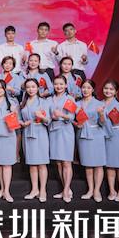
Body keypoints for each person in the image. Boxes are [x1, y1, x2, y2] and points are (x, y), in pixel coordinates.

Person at [75, 79, 107, 203]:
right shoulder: (77, 103)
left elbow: (103, 123)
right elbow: (73, 120)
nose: (85, 90)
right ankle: (90, 189)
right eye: (83, 87)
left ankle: (97, 190)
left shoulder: (99, 103)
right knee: (87, 164)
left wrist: (102, 114)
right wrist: (76, 124)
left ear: (93, 89)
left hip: (96, 134)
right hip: (82, 134)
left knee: (98, 164)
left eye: (88, 88)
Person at [19, 78, 50, 203]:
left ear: (38, 88)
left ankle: (43, 190)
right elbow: (19, 119)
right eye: (28, 87)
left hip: (40, 132)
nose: (31, 89)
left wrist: (42, 117)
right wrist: (22, 123)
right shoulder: (23, 102)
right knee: (32, 164)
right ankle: (34, 189)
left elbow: (48, 121)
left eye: (33, 87)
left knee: (41, 163)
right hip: (27, 133)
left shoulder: (43, 102)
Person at [47, 75, 76, 203]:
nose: (58, 86)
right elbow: (46, 116)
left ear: (66, 85)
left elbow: (72, 117)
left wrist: (62, 115)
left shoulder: (69, 99)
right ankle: (66, 188)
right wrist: (50, 118)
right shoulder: (49, 99)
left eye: (61, 84)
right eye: (56, 84)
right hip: (53, 130)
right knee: (58, 162)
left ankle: (66, 190)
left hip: (65, 130)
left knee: (66, 162)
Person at [101, 79, 119, 202]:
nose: (108, 91)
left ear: (116, 91)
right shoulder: (99, 104)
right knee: (110, 166)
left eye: (111, 89)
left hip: (118, 136)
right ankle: (112, 190)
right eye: (106, 88)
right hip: (105, 136)